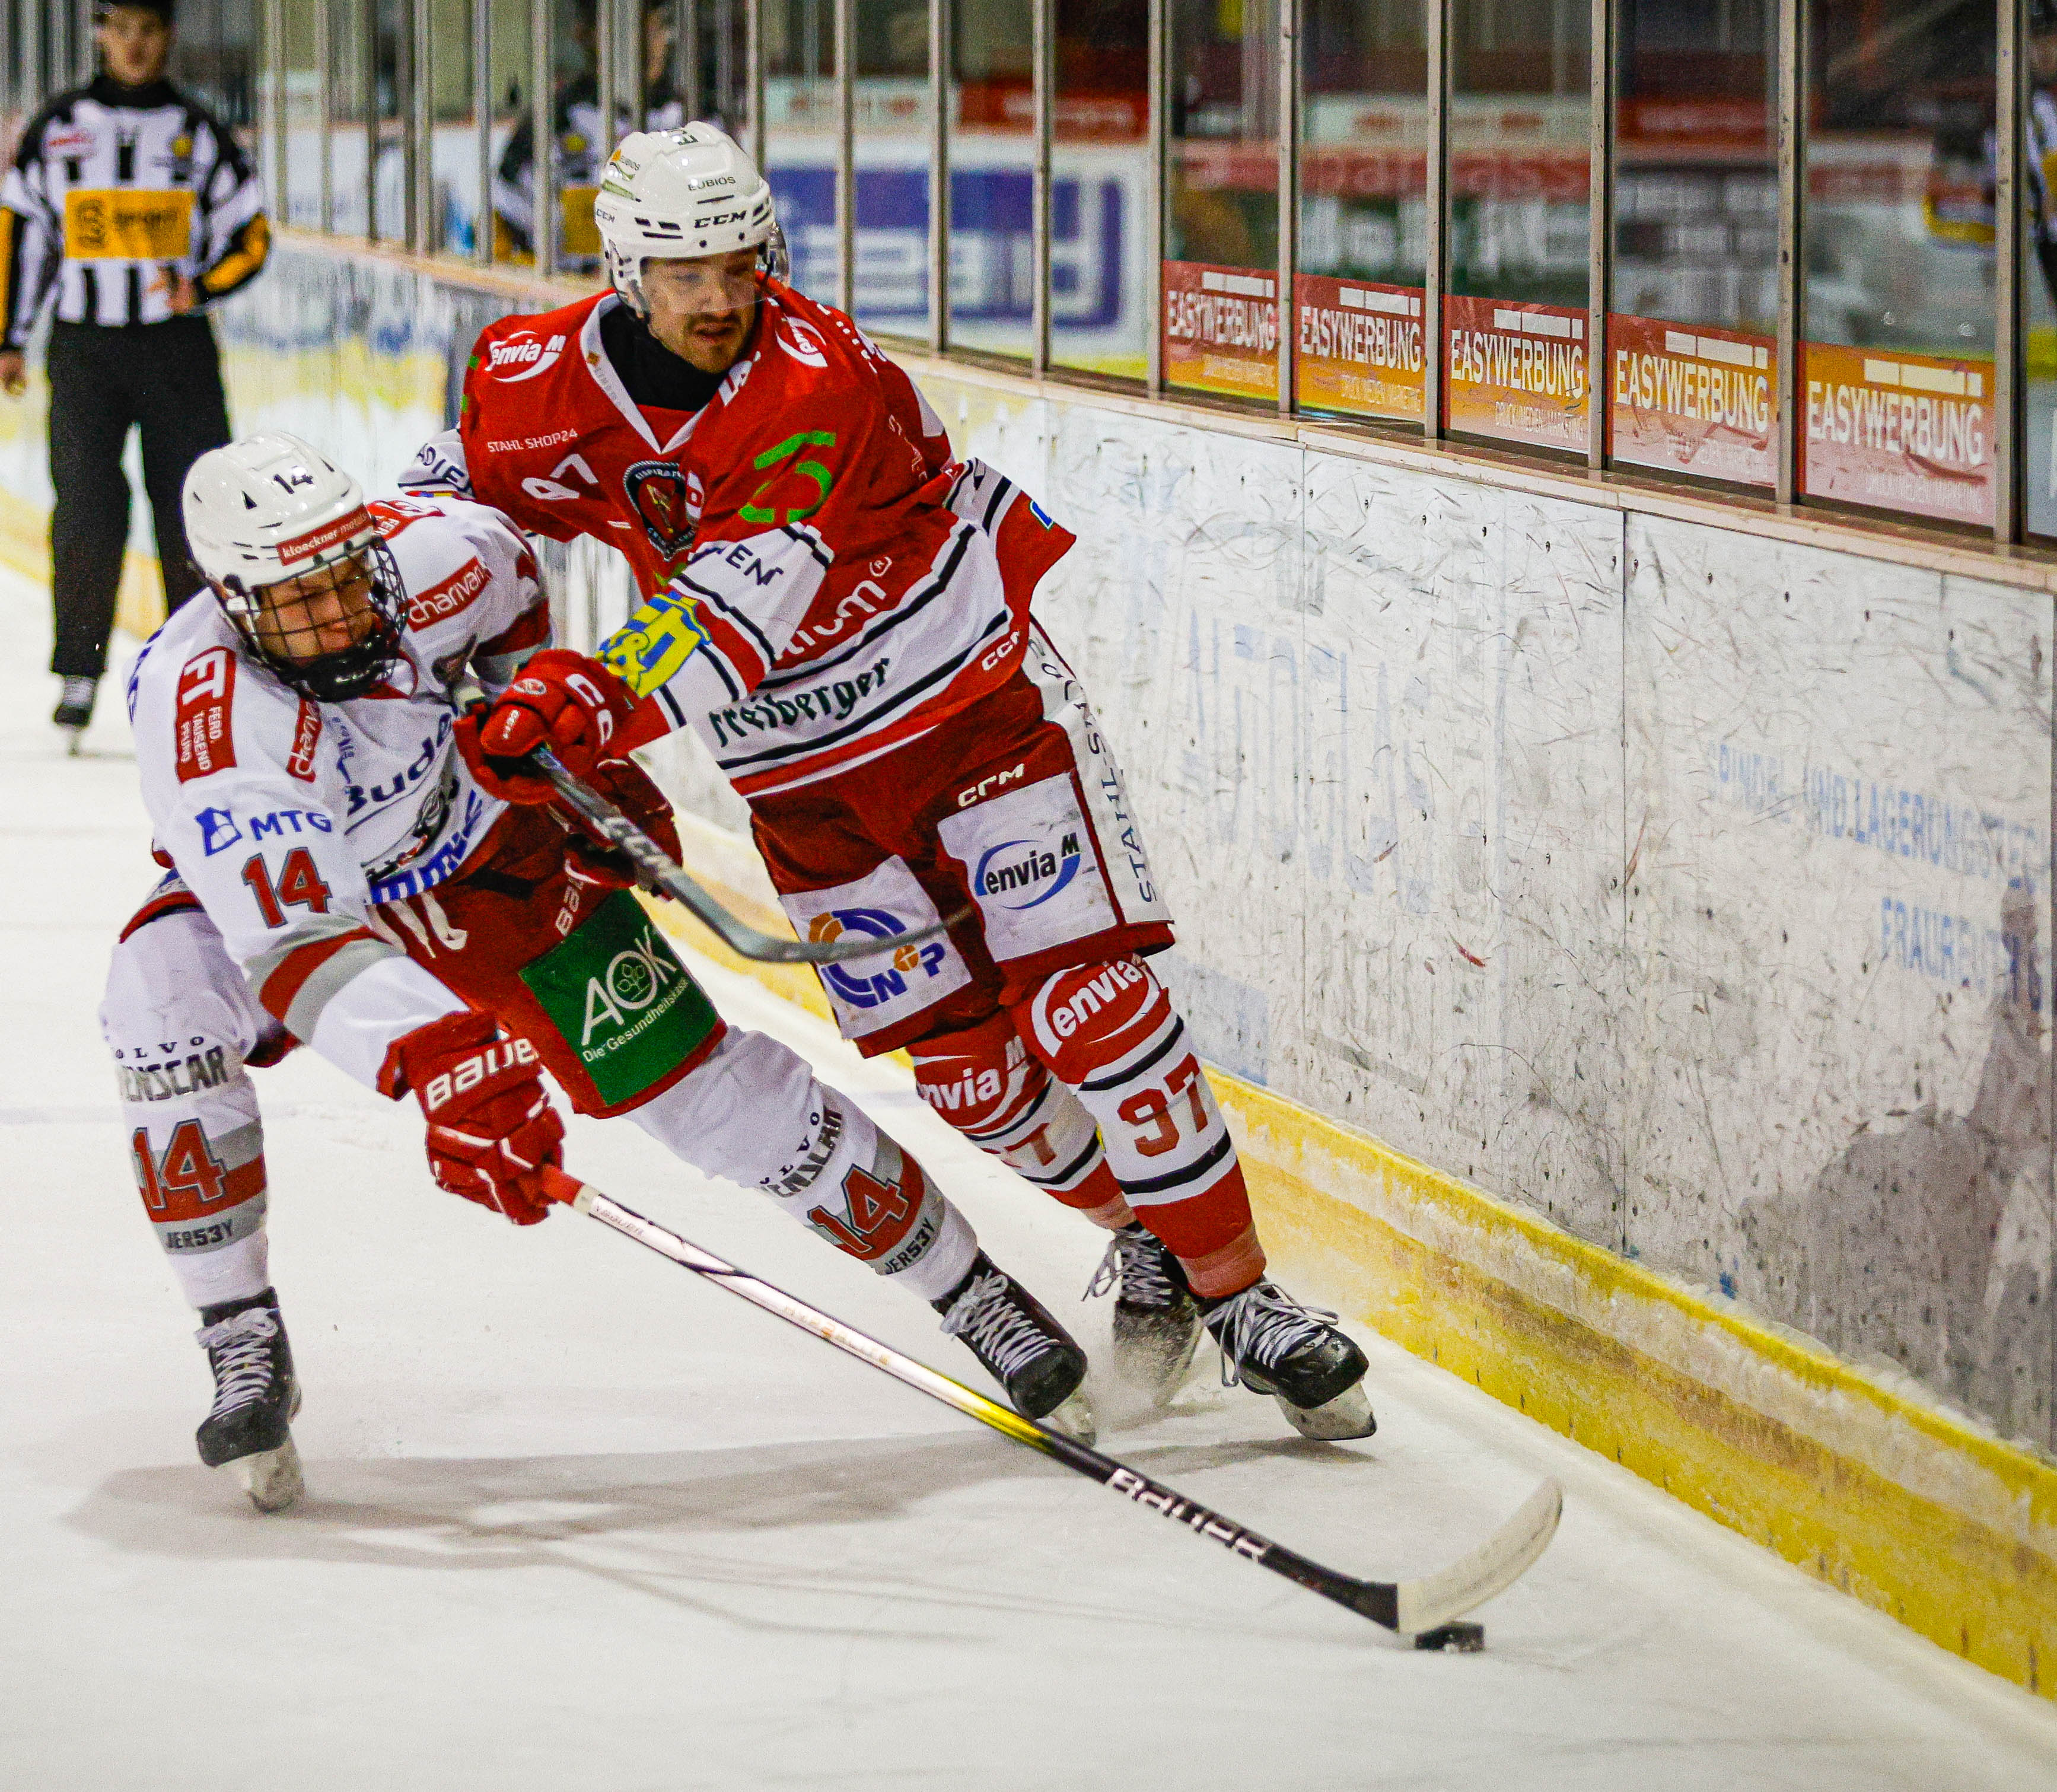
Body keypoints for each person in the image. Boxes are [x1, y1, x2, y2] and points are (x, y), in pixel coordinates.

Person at [407, 123, 1373, 1440]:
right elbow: (461, 488)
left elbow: (731, 609)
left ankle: (1243, 1298)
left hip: (965, 712)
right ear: (627, 272)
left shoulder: (815, 379)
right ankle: (1147, 1235)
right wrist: (430, 610)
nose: (721, 298)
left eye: (741, 265)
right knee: (973, 1078)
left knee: (1089, 1005)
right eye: (687, 275)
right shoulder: (532, 375)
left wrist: (586, 702)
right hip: (802, 783)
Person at [104, 429, 1098, 1510]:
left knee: (715, 1096)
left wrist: (551, 754)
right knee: (157, 1000)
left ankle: (972, 1292)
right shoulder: (208, 718)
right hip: (299, 914)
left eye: (351, 575)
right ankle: (239, 1330)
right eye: (305, 601)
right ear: (234, 599)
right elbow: (299, 942)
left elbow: (513, 613)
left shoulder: (445, 555)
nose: (343, 612)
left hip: (486, 861)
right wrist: (442, 1061)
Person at [0, 0, 272, 749]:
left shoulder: (199, 131)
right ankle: (79, 670)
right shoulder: (57, 128)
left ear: (167, 38)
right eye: (121, 30)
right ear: (100, 36)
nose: (135, 44)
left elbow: (251, 232)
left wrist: (200, 287)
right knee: (85, 505)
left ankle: (196, 672)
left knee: (193, 510)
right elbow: (23, 232)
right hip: (83, 349)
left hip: (176, 350)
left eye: (148, 31)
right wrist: (9, 338)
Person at [490, 0, 688, 264]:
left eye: (657, 28)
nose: (647, 43)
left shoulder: (694, 119)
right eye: (629, 27)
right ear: (586, 34)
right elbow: (507, 227)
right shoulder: (549, 125)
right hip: (577, 285)